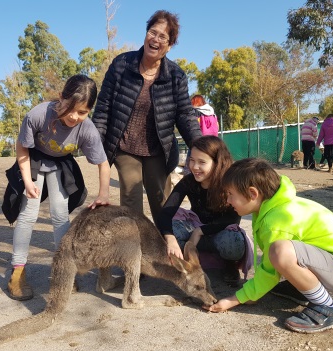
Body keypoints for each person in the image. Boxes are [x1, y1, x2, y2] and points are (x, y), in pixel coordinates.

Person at [204, 158, 333, 333]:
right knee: (279, 251)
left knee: (280, 251)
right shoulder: (270, 207)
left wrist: (236, 299)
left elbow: (270, 269)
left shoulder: (276, 220)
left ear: (253, 194)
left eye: (230, 194)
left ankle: (327, 307)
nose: (228, 200)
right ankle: (301, 288)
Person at [92, 10, 202, 224]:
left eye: (163, 37)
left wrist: (202, 146)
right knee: (131, 202)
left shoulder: (175, 76)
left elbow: (185, 115)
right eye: (153, 32)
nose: (156, 39)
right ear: (146, 34)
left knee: (162, 204)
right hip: (125, 147)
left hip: (158, 149)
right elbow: (103, 105)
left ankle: (165, 246)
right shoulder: (121, 65)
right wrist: (95, 142)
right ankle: (135, 250)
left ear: (169, 46)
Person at [7, 74, 111, 301]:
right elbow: (22, 147)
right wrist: (26, 181)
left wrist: (103, 193)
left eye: (82, 112)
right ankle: (17, 272)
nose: (74, 117)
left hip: (60, 163)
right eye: (70, 108)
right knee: (28, 214)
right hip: (33, 159)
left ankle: (64, 271)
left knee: (60, 215)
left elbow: (103, 163)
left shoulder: (87, 129)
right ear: (61, 98)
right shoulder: (38, 115)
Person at [156, 136, 251, 285]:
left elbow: (233, 219)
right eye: (192, 160)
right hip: (194, 232)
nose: (194, 167)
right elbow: (166, 212)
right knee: (166, 231)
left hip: (218, 233)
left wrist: (200, 231)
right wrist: (170, 238)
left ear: (217, 163)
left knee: (234, 242)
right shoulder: (188, 181)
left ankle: (229, 264)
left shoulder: (229, 182)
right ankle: (189, 264)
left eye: (202, 162)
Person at [182, 95, 219, 175]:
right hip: (213, 142)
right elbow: (217, 126)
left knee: (192, 159)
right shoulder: (212, 113)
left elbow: (193, 127)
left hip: (199, 141)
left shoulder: (195, 112)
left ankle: (188, 176)